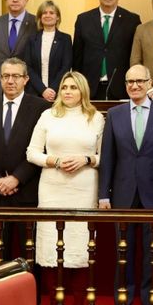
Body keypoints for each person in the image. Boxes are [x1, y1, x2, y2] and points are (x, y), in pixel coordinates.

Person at [101, 64, 153, 305]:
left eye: (139, 81)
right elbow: (108, 158)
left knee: (151, 257)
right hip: (122, 196)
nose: (134, 86)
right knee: (124, 256)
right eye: (130, 81)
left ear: (148, 83)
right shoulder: (114, 114)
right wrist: (104, 194)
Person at [27, 72, 105, 270]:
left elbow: (104, 157)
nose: (68, 91)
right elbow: (32, 153)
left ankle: (79, 301)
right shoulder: (48, 115)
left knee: (80, 246)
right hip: (52, 189)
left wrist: (86, 159)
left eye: (73, 87)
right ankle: (54, 300)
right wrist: (56, 161)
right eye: (64, 87)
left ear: (83, 91)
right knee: (51, 247)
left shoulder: (95, 117)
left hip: (83, 190)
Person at [0, 56, 49, 257]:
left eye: (16, 76)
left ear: (26, 79)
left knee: (28, 253)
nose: (10, 81)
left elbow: (42, 150)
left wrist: (16, 178)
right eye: (6, 76)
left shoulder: (41, 108)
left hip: (26, 192)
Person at [73, 0, 142, 99]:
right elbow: (77, 57)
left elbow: (136, 56)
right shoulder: (83, 20)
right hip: (90, 88)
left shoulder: (132, 20)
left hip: (121, 87)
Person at [26, 0, 72, 102]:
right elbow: (28, 67)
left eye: (51, 13)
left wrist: (52, 89)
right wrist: (42, 90)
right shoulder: (31, 39)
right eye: (44, 13)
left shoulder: (65, 39)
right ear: (40, 17)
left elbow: (66, 67)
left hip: (57, 92)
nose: (48, 15)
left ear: (58, 17)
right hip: (34, 92)